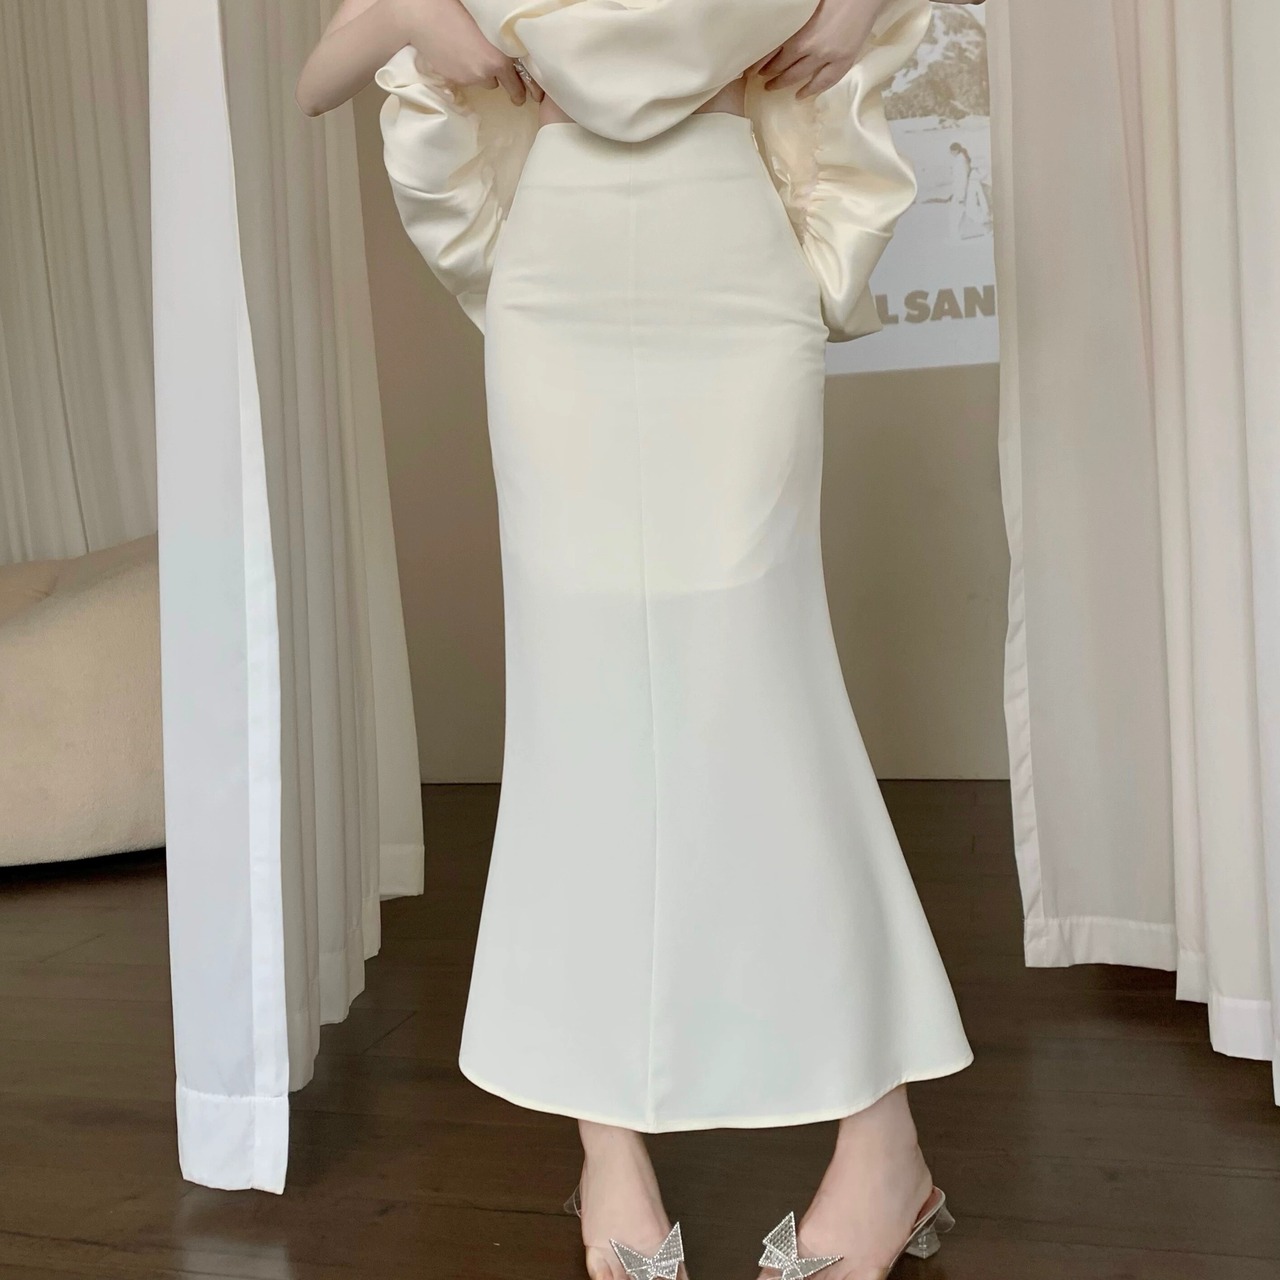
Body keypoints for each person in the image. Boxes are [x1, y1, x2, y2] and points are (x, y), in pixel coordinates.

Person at [298, 2, 984, 1277]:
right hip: (556, 268)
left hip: (727, 247)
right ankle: (605, 1142)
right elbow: (313, 78)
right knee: (579, 706)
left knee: (766, 698)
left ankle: (881, 1139)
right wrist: (410, 12)